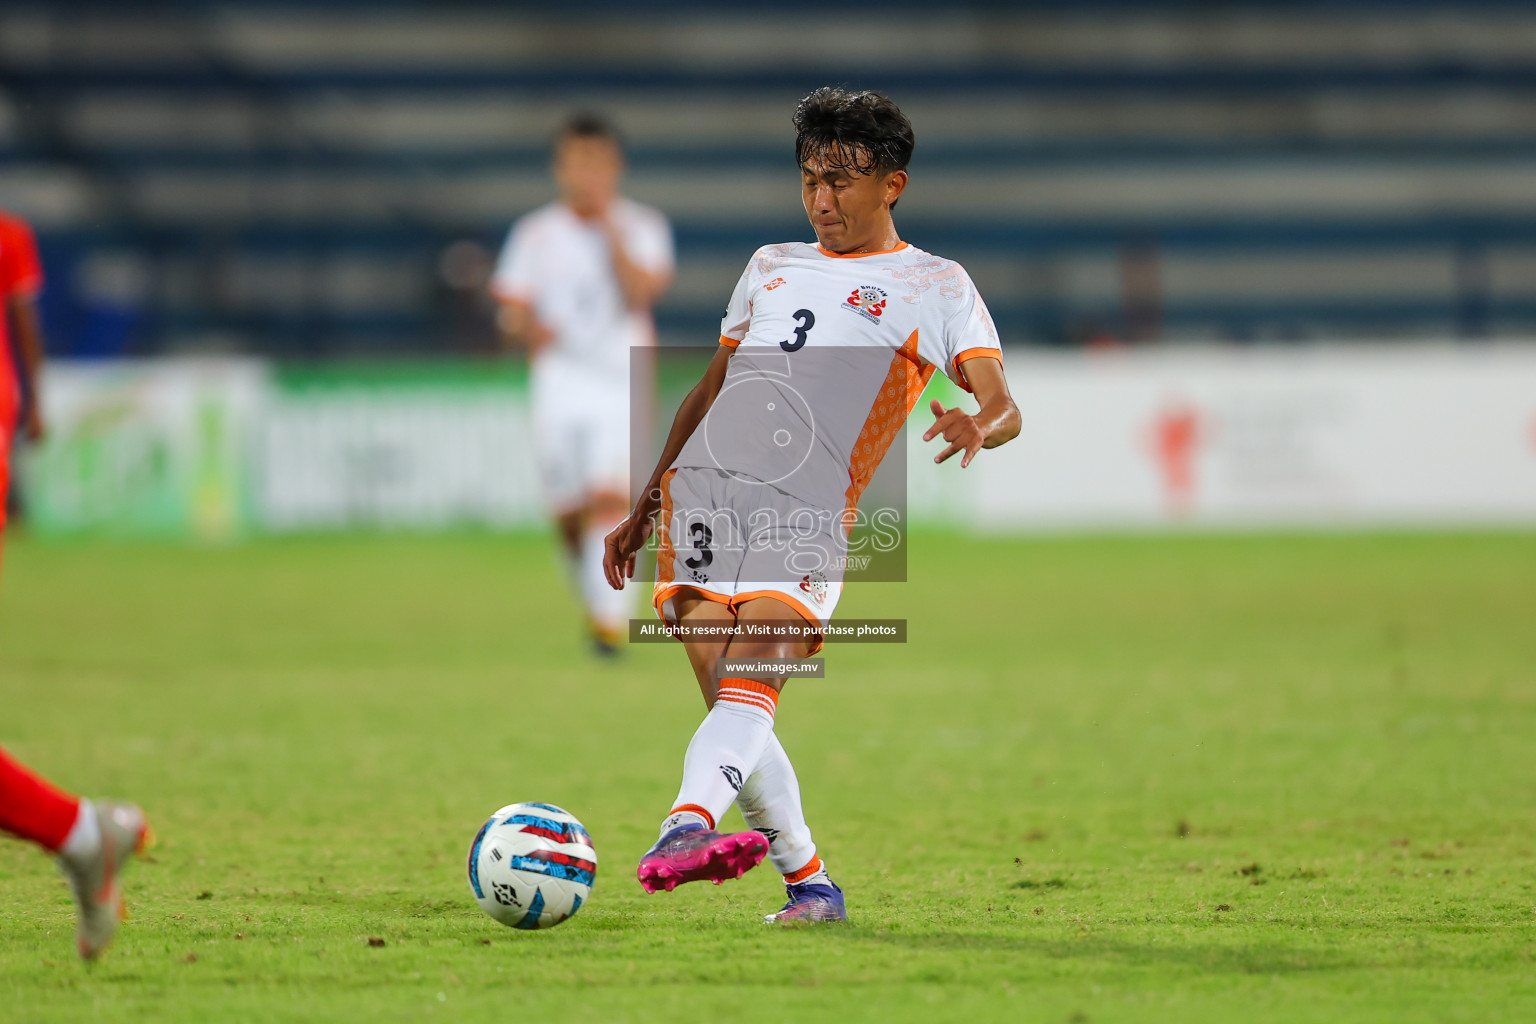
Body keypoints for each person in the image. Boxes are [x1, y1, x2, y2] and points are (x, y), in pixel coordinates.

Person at [603, 88, 1021, 923]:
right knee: (734, 695)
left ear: (892, 184)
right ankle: (811, 884)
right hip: (704, 498)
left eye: (841, 181)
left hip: (805, 509)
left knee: (753, 676)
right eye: (810, 182)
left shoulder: (934, 284)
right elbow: (710, 387)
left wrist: (981, 421)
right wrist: (646, 497)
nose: (823, 200)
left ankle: (684, 825)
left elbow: (1005, 405)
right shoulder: (770, 263)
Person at [0, 208, 151, 960]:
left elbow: (23, 324)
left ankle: (83, 834)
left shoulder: (8, 234)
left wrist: (33, 405)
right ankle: (84, 834)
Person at [490, 114, 674, 656]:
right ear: (560, 167)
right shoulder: (535, 233)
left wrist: (610, 235)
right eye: (576, 161)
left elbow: (643, 292)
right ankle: (595, 597)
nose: (586, 173)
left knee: (609, 496)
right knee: (568, 514)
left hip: (619, 380)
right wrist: (524, 326)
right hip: (558, 382)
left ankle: (608, 622)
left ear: (614, 167)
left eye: (597, 161)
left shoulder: (641, 226)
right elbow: (510, 312)